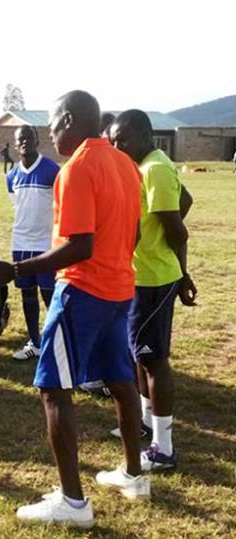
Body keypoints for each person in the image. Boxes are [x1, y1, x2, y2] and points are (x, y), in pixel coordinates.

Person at [0, 90, 148, 528]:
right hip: (119, 291)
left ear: (68, 120)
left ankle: (72, 502)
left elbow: (79, 246)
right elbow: (134, 233)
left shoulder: (77, 168)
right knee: (121, 380)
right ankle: (133, 474)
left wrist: (16, 269)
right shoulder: (126, 164)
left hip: (82, 293)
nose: (49, 135)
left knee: (53, 388)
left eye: (52, 126)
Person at [109, 109, 196, 471]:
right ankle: (145, 424)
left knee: (153, 360)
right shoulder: (146, 166)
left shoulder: (154, 168)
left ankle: (164, 448)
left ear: (146, 136)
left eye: (123, 140)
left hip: (154, 280)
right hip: (142, 276)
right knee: (140, 356)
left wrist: (180, 270)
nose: (118, 146)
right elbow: (186, 197)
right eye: (113, 140)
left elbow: (177, 228)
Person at [5, 125, 59, 360]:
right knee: (27, 294)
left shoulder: (51, 170)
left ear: (37, 141)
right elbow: (17, 207)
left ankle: (58, 343)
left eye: (29, 137)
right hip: (20, 243)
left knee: (50, 296)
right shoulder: (12, 176)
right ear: (16, 145)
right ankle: (35, 342)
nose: (25, 142)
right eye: (21, 139)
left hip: (46, 243)